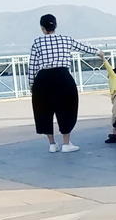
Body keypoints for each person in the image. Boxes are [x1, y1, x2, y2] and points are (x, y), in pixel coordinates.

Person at [27, 14, 100, 152]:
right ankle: (66, 144)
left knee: (43, 111)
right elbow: (83, 48)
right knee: (67, 108)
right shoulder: (66, 39)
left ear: (42, 28)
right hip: (62, 77)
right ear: (55, 25)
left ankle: (52, 144)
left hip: (43, 79)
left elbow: (32, 66)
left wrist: (31, 84)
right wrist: (98, 52)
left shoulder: (37, 42)